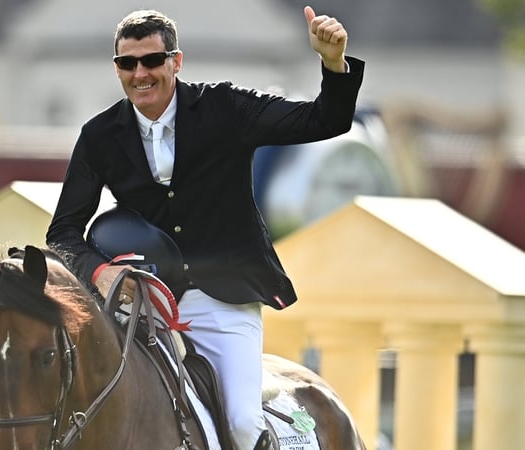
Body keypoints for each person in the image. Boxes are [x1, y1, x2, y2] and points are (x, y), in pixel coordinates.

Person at [46, 6, 364, 450]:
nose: (140, 73)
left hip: (225, 304)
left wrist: (333, 64)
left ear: (176, 61)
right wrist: (99, 272)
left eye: (152, 61)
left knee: (241, 423)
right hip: (142, 310)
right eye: (127, 63)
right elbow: (61, 234)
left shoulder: (225, 107)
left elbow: (324, 120)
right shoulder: (98, 135)